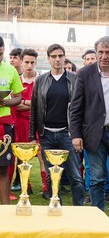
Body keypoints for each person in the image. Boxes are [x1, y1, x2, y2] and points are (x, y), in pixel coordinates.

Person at [70, 36, 109, 238]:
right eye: (101, 52)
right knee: (96, 180)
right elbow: (76, 107)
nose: (104, 56)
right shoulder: (84, 74)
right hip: (93, 135)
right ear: (95, 53)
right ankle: (98, 223)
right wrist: (76, 135)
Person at [29, 43, 84, 206]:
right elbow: (34, 109)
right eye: (53, 56)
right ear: (48, 59)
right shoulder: (40, 81)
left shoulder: (75, 79)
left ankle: (78, 209)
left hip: (67, 134)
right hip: (46, 135)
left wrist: (77, 134)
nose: (57, 59)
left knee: (75, 175)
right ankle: (56, 208)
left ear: (64, 57)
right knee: (52, 175)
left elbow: (81, 108)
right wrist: (32, 136)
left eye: (60, 56)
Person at [13, 48, 50, 200]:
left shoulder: (41, 81)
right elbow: (15, 105)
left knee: (41, 154)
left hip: (38, 122)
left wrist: (24, 103)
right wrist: (32, 103)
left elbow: (45, 104)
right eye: (27, 62)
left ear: (36, 63)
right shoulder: (17, 80)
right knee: (22, 156)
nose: (29, 65)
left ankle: (46, 187)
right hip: (20, 122)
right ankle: (25, 186)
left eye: (32, 62)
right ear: (21, 62)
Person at [0, 36, 23, 204]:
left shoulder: (10, 70)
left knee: (3, 169)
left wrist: (5, 101)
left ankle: (5, 210)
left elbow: (18, 98)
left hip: (4, 126)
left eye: (0, 53)